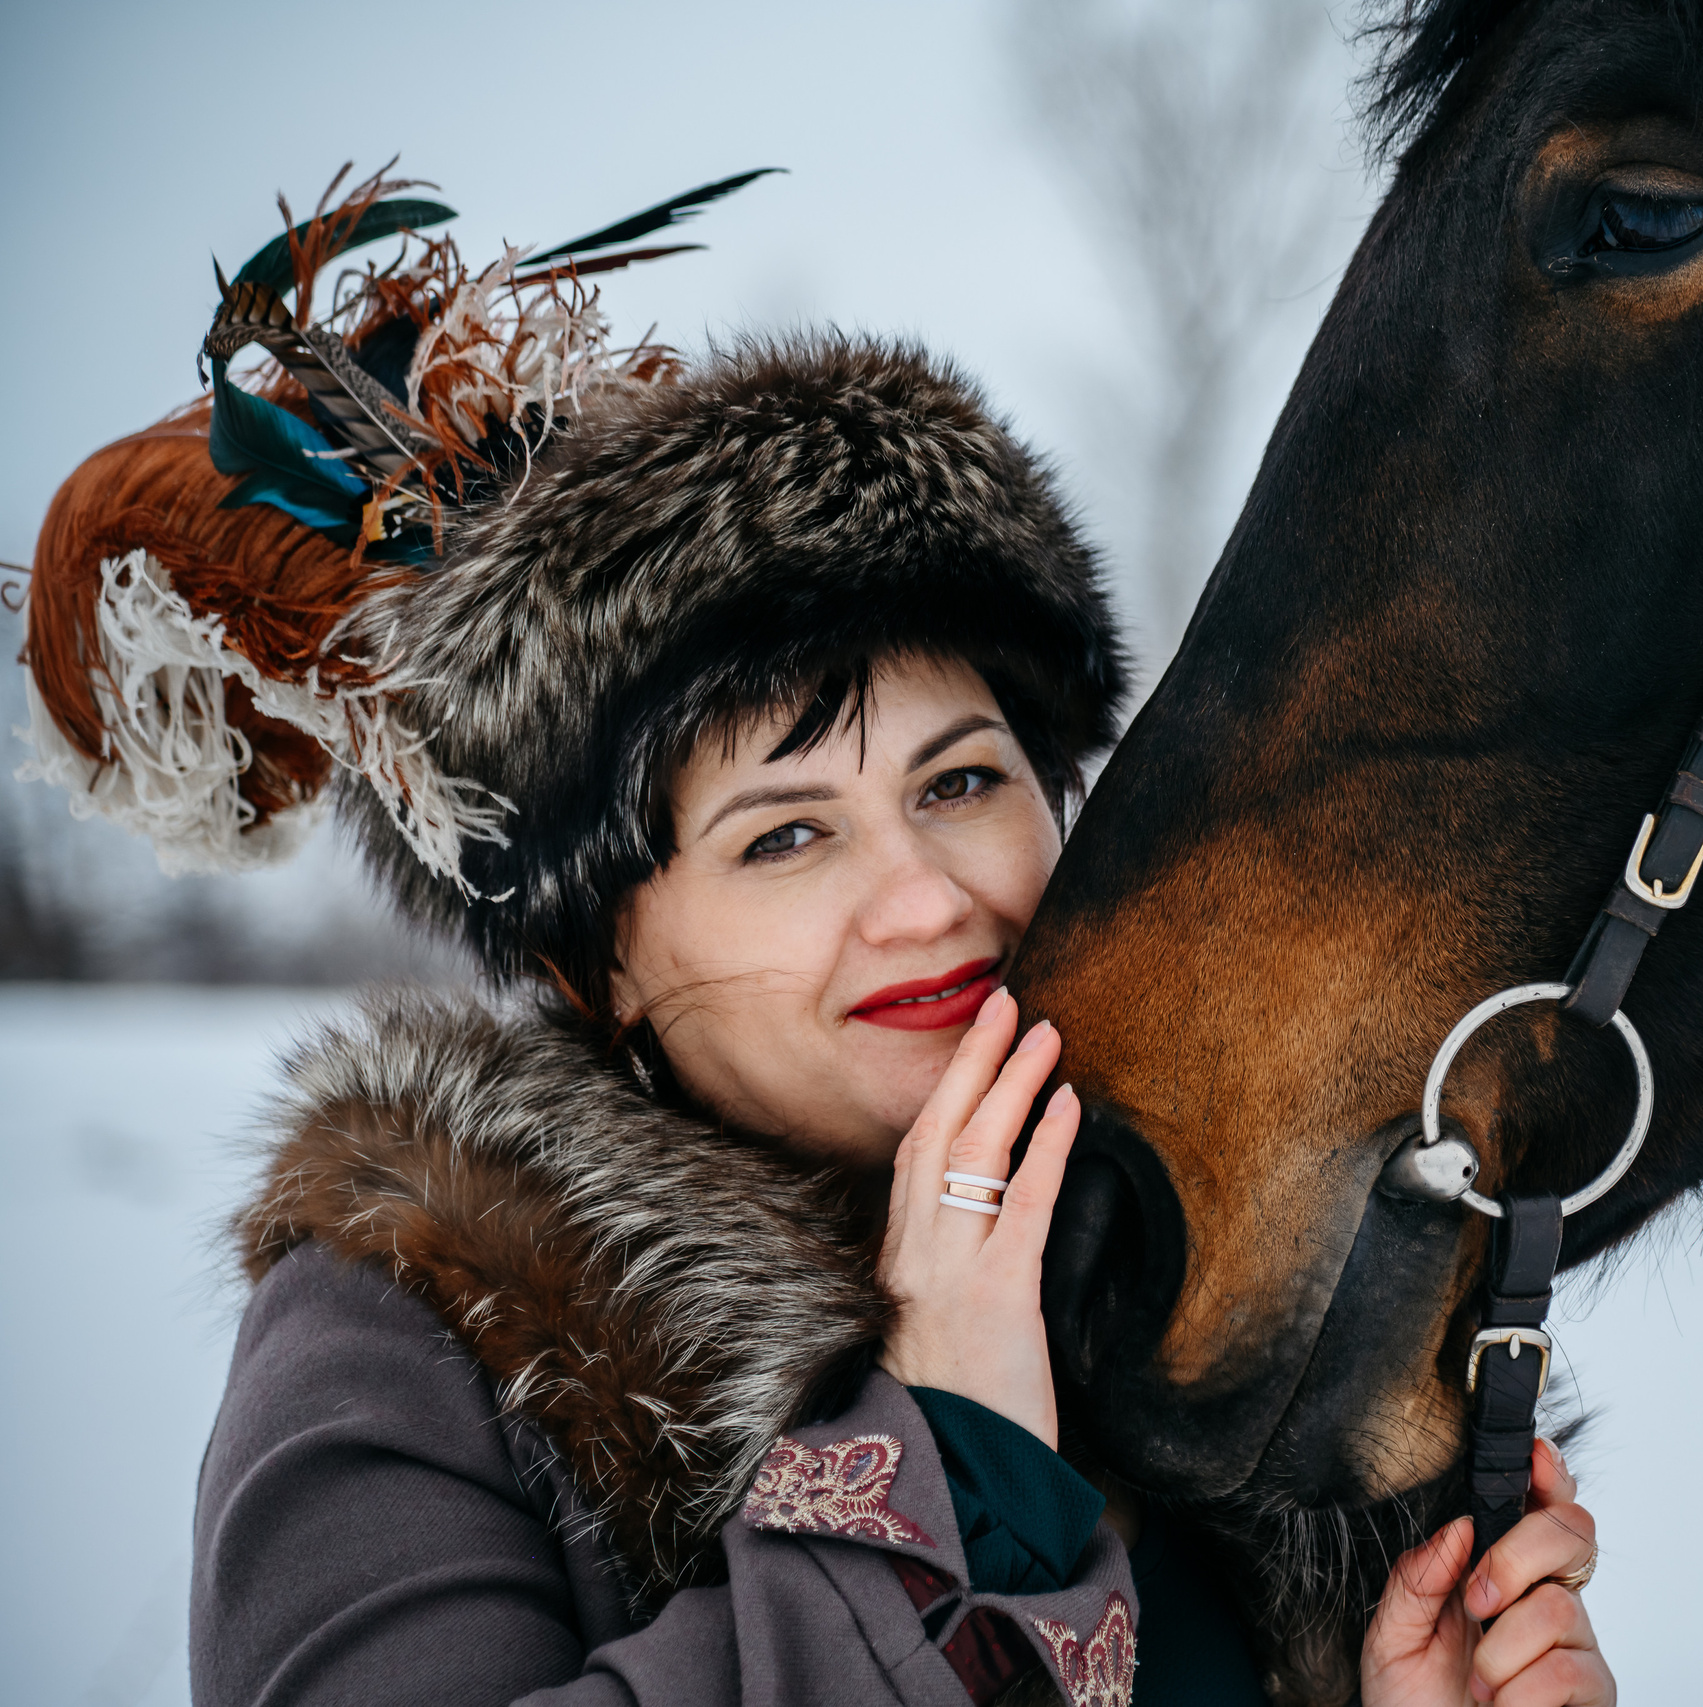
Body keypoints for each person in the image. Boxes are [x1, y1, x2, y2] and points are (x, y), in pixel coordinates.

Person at [22, 173, 1616, 1707]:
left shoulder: (1219, 1291)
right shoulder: (428, 1329)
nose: (927, 897)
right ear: (602, 968)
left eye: (966, 780)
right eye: (783, 835)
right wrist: (947, 1471)